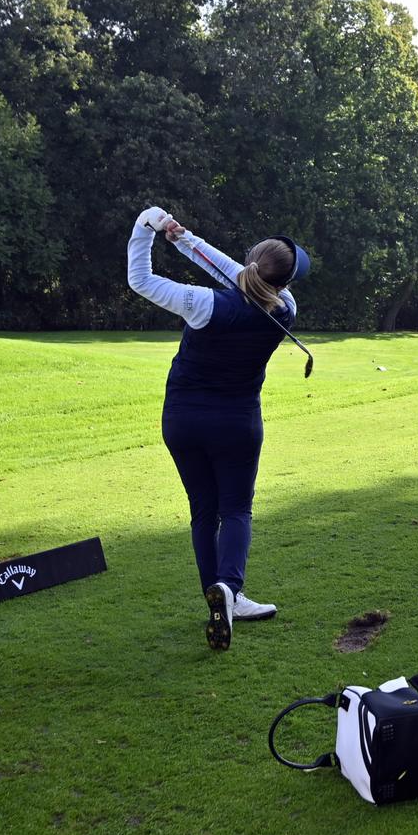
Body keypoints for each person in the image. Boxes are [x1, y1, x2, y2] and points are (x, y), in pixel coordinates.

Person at [126, 205, 308, 649]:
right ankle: (230, 589)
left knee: (203, 512)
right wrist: (182, 238)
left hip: (184, 419)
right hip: (236, 422)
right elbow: (234, 273)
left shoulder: (203, 304)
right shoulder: (285, 307)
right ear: (283, 280)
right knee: (236, 510)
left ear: (251, 260)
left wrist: (146, 224)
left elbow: (140, 280)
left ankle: (219, 597)